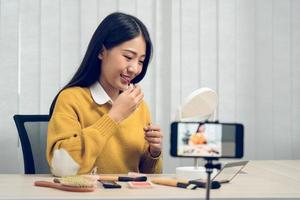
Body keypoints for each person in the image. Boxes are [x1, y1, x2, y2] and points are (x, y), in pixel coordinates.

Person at [46, 12, 163, 177]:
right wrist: (114, 117)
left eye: (141, 61)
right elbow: (63, 168)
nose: (135, 69)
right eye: (128, 57)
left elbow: (147, 176)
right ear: (102, 51)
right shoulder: (70, 99)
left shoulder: (139, 105)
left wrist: (154, 152)